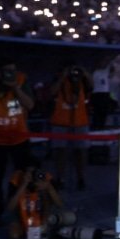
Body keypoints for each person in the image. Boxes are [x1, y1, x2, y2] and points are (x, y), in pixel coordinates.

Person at [0, 58, 35, 225]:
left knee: (21, 174)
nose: (10, 74)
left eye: (13, 70)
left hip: (18, 137)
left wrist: (15, 88)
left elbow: (30, 105)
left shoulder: (22, 80)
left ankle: (20, 206)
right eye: (6, 71)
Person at [49, 63, 93, 191]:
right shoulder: (59, 80)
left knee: (81, 152)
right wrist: (62, 77)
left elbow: (92, 86)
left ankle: (81, 178)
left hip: (80, 122)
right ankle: (60, 178)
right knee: (60, 152)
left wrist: (84, 73)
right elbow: (52, 91)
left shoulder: (82, 81)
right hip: (60, 122)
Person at [3, 162, 63, 239]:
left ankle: (44, 225)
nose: (32, 175)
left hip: (41, 212)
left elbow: (60, 204)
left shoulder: (45, 177)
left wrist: (49, 188)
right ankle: (26, 229)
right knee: (13, 235)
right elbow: (10, 207)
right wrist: (23, 185)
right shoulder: (16, 179)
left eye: (34, 172)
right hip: (21, 214)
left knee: (46, 197)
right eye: (30, 172)